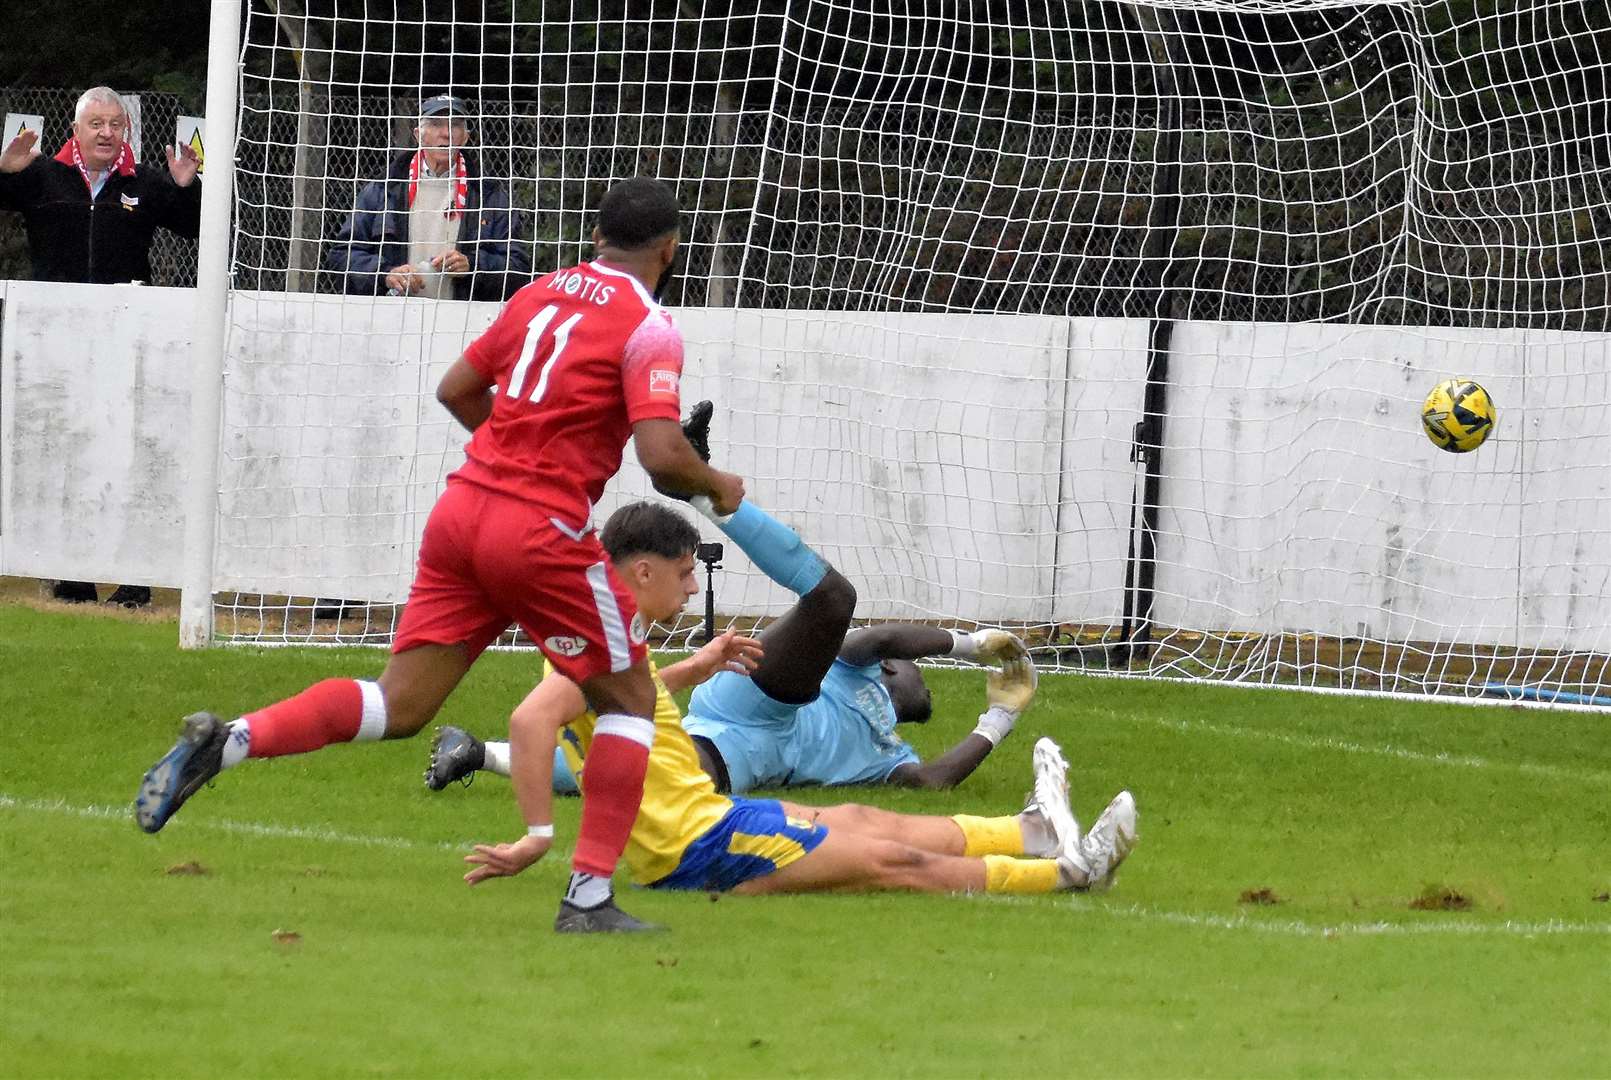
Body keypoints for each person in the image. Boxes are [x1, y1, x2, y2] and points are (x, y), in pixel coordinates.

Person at [134, 177, 746, 934]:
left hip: (462, 513)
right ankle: (587, 900)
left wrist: (514, 452)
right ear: (669, 249)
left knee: (399, 704)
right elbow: (660, 456)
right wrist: (716, 485)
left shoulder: (539, 292)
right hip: (538, 531)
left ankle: (231, 742)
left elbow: (456, 389)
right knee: (625, 701)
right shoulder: (649, 324)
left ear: (595, 239)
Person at [458, 499, 1138, 902]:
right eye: (686, 573)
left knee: (862, 817)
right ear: (643, 570)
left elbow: (598, 702)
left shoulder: (613, 631)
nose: (693, 589)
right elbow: (534, 716)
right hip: (695, 848)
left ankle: (1035, 832)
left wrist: (695, 666)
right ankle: (1065, 874)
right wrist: (537, 837)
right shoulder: (594, 633)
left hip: (710, 816)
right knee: (887, 865)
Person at [427, 490, 1038, 797]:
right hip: (761, 699)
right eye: (903, 663)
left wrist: (1001, 715)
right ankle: (706, 492)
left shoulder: (890, 752)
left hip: (758, 758)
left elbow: (931, 781)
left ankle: (480, 754)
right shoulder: (853, 671)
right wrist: (974, 643)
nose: (904, 667)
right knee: (833, 600)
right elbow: (879, 636)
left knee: (647, 772)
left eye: (908, 668)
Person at [0, 85, 203, 608]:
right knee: (62, 453)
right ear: (76, 130)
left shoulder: (145, 182)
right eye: (97, 124)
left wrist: (188, 187)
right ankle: (71, 576)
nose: (107, 133)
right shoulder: (41, 173)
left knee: (127, 454)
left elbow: (199, 228)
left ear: (126, 131)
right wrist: (4, 173)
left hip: (126, 340)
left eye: (116, 124)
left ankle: (134, 579)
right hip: (53, 342)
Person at [325, 94, 529, 301]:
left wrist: (474, 266)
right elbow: (341, 256)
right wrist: (385, 274)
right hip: (393, 315)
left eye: (455, 125)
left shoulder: (488, 194)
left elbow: (518, 266)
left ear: (466, 137)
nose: (446, 133)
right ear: (418, 134)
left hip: (463, 319)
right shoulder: (384, 188)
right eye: (435, 124)